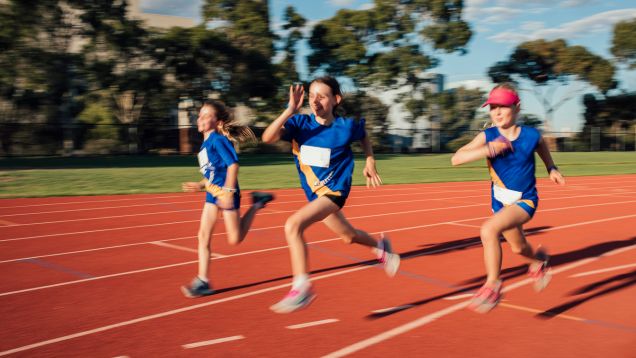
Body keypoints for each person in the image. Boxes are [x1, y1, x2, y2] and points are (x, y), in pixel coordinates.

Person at [262, 76, 400, 314]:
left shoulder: (345, 126)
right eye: (312, 95)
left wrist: (370, 160)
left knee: (293, 225)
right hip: (316, 195)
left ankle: (301, 288)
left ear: (336, 100)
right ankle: (382, 247)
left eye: (322, 96)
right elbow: (267, 137)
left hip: (335, 191)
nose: (315, 101)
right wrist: (290, 109)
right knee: (348, 236)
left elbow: (363, 134)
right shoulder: (300, 124)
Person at [451, 83, 565, 313]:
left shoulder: (531, 135)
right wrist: (488, 149)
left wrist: (551, 167)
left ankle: (493, 285)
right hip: (500, 203)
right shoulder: (488, 136)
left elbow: (541, 145)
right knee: (518, 248)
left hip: (525, 201)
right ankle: (538, 261)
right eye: (493, 107)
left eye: (503, 106)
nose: (498, 112)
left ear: (517, 107)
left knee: (488, 230)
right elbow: (456, 158)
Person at [181, 99, 274, 298]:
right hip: (212, 193)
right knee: (202, 236)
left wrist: (229, 193)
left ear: (218, 122)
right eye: (200, 115)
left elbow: (233, 166)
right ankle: (202, 281)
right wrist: (200, 185)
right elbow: (213, 172)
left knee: (235, 239)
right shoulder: (205, 145)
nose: (201, 118)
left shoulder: (218, 140)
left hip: (226, 192)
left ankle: (257, 203)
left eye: (207, 116)